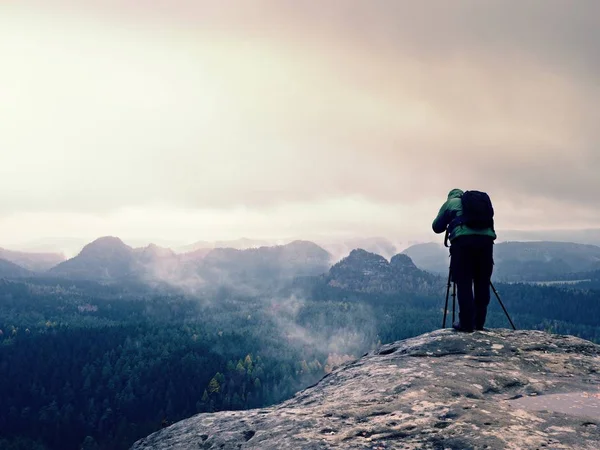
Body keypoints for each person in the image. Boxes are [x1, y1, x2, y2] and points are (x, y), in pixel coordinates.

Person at [432, 189, 496, 332]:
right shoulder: (479, 205)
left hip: (463, 245)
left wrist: (450, 220)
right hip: (486, 244)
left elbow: (436, 227)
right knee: (482, 281)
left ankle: (466, 324)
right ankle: (479, 323)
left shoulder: (450, 203)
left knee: (464, 282)